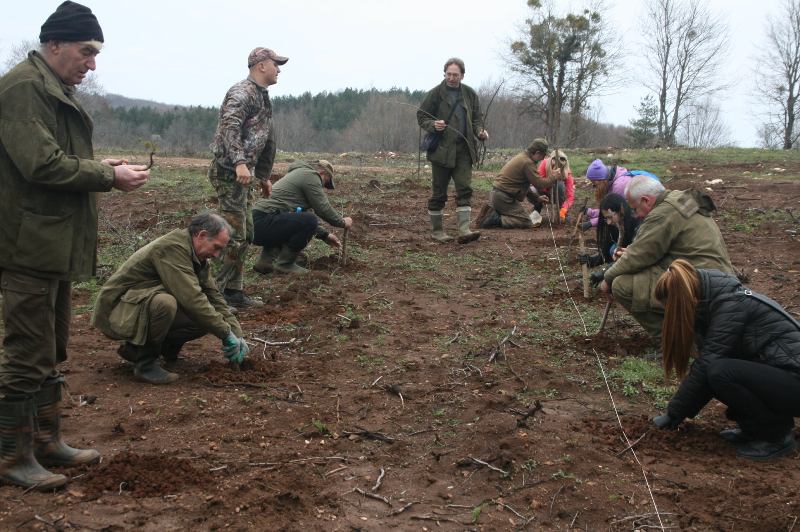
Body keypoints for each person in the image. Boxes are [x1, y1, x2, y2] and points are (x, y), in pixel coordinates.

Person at [0, 1, 150, 490]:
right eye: (86, 51)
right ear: (55, 44)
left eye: (96, 53)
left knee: (51, 345)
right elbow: (40, 165)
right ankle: (9, 457)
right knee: (27, 350)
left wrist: (96, 164)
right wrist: (106, 176)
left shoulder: (50, 87)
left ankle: (45, 441)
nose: (92, 63)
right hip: (28, 245)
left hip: (50, 244)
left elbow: (52, 156)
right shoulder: (25, 88)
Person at [650, 259, 800, 461]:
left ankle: (776, 435)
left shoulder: (731, 306)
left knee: (720, 372)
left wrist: (673, 414)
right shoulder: (715, 302)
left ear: (686, 299)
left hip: (794, 381)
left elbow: (709, 363)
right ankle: (754, 428)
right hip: (784, 380)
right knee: (719, 370)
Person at [92, 213, 249, 385]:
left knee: (208, 317)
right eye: (216, 247)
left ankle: (164, 348)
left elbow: (214, 296)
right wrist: (225, 334)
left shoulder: (197, 254)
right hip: (119, 310)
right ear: (201, 235)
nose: (218, 255)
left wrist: (236, 334)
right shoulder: (173, 248)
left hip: (141, 304)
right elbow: (192, 298)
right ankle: (144, 362)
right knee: (166, 304)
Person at [599, 176, 734, 336]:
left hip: (701, 287)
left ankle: (676, 340)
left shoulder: (662, 214)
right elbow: (663, 247)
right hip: (721, 280)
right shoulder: (679, 199)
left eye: (635, 209)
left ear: (646, 200)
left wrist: (607, 279)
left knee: (621, 285)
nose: (636, 215)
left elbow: (639, 256)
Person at [208, 46, 288, 309]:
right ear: (261, 65)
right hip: (230, 172)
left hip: (245, 175)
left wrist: (263, 176)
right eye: (276, 64)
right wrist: (240, 162)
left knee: (248, 234)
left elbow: (267, 139)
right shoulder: (242, 92)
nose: (279, 69)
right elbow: (229, 127)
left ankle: (234, 291)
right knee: (232, 236)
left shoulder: (262, 96)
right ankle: (212, 296)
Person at [417, 57, 488, 244]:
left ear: (462, 76)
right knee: (439, 192)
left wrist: (480, 131)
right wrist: (433, 124)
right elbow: (421, 116)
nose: (451, 78)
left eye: (455, 75)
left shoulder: (470, 94)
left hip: (464, 150)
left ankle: (464, 229)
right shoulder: (435, 94)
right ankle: (437, 231)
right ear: (444, 74)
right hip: (441, 151)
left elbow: (477, 119)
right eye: (449, 74)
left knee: (464, 189)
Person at [251, 160, 352, 274]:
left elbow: (297, 221)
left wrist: (325, 235)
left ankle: (265, 262)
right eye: (325, 182)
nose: (322, 186)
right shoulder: (311, 176)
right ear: (322, 173)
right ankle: (285, 264)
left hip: (256, 223)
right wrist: (342, 222)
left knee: (292, 220)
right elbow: (322, 209)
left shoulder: (298, 174)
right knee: (309, 219)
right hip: (263, 221)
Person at [475, 138, 552, 229]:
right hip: (503, 198)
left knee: (521, 217)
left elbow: (523, 186)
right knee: (526, 222)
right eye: (543, 155)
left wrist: (537, 198)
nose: (543, 159)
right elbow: (539, 184)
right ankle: (493, 219)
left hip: (499, 195)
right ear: (537, 152)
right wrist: (553, 177)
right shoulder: (527, 163)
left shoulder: (523, 157)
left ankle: (494, 213)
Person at [583, 159, 659, 231]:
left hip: (649, 214)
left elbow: (617, 214)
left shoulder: (619, 186)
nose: (594, 187)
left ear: (600, 181)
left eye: (594, 184)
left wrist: (592, 223)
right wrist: (590, 212)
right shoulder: (611, 180)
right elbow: (610, 210)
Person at [579, 193, 640, 268]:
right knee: (612, 249)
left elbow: (636, 258)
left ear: (620, 211)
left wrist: (606, 272)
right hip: (625, 260)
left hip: (638, 263)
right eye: (606, 218)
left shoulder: (636, 226)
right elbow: (606, 253)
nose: (608, 222)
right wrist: (590, 260)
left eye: (610, 217)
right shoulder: (615, 226)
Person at [533, 149, 575, 224]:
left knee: (560, 185)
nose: (558, 168)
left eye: (560, 166)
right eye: (554, 166)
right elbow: (538, 183)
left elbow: (570, 196)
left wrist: (564, 209)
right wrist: (549, 183)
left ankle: (563, 212)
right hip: (543, 193)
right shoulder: (544, 163)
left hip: (558, 195)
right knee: (533, 190)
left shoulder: (567, 172)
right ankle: (536, 210)